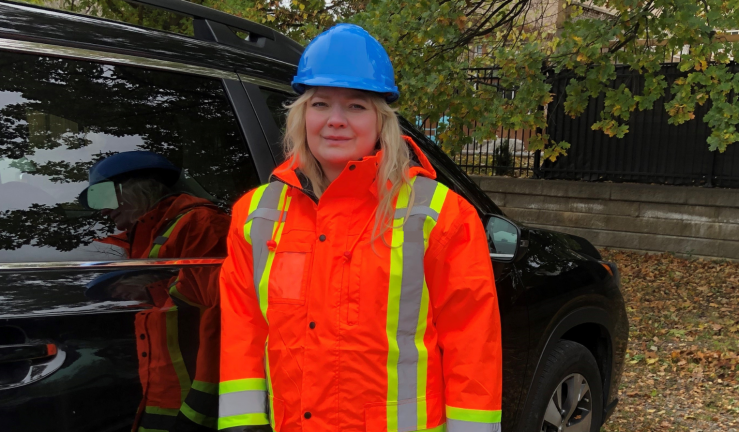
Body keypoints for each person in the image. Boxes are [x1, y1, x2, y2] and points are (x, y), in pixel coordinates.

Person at [218, 24, 502, 432]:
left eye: (355, 106)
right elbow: (243, 331)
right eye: (320, 104)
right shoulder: (256, 215)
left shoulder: (441, 215)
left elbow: (473, 349)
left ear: (381, 121)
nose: (335, 121)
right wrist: (243, 425)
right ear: (301, 116)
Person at [80, 151, 230, 432]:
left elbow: (221, 305)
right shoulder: (139, 240)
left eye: (104, 198)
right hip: (160, 398)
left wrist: (148, 291)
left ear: (136, 189)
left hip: (198, 403)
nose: (101, 211)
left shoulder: (201, 223)